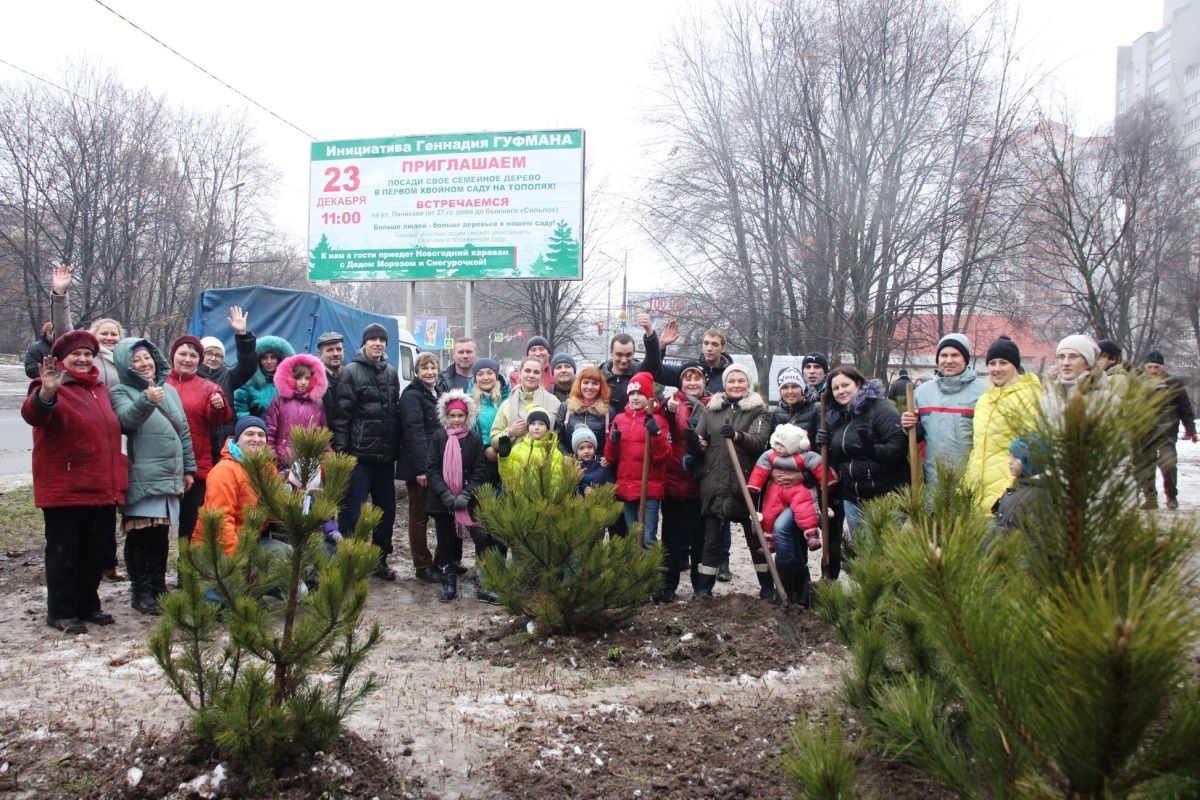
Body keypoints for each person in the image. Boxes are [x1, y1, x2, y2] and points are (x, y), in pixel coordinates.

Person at [23, 330, 128, 634]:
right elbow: (34, 414)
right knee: (65, 553)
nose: (82, 360)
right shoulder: (53, 386)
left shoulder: (99, 389)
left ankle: (88, 604)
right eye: (75, 355)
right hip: (65, 487)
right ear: (61, 359)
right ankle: (61, 610)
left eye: (87, 354)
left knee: (93, 552)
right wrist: (46, 392)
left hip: (99, 486)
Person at [110, 338, 196, 615]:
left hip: (169, 474)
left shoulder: (169, 391)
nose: (144, 364)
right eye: (137, 360)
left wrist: (188, 469)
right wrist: (146, 401)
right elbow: (127, 421)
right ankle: (141, 590)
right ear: (126, 364)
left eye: (147, 357)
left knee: (160, 535)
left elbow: (182, 431)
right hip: (142, 474)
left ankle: (159, 587)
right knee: (140, 535)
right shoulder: (120, 391)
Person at [683, 364, 772, 600]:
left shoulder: (759, 411)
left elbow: (759, 441)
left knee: (756, 540)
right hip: (715, 484)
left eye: (740, 381)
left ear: (748, 384)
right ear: (724, 384)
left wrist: (737, 436)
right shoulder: (711, 410)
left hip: (746, 484)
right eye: (731, 381)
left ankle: (768, 587)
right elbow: (701, 443)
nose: (735, 385)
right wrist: (693, 442)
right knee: (711, 542)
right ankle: (704, 589)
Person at [331, 323, 401, 580]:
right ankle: (349, 560)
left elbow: (394, 413)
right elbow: (341, 417)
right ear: (364, 344)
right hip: (358, 457)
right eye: (373, 339)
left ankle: (379, 560)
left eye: (382, 340)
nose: (378, 343)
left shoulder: (391, 373)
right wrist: (342, 452)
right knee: (352, 512)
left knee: (386, 513)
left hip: (384, 458)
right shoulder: (350, 372)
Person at [816, 365, 908, 560]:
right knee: (863, 555)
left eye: (845, 385)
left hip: (884, 495)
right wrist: (825, 445)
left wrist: (873, 450)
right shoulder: (838, 417)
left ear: (858, 383)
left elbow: (899, 448)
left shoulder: (880, 408)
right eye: (835, 388)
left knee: (883, 555)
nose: (841, 391)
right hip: (853, 497)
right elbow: (841, 459)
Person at [166, 335, 233, 569]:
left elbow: (219, 420)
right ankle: (150, 585)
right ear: (172, 356)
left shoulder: (208, 387)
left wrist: (219, 406)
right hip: (161, 466)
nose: (187, 359)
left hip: (195, 465)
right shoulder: (159, 383)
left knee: (190, 526)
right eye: (182, 354)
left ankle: (188, 576)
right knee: (155, 527)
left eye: (193, 355)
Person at [962, 336, 1043, 513]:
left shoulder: (1029, 396)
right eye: (992, 363)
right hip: (977, 490)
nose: (997, 368)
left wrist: (1010, 488)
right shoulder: (985, 399)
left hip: (1007, 491)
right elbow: (979, 449)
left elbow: (1033, 446)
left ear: (1015, 365)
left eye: (1003, 363)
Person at [425, 390, 491, 603]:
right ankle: (448, 580)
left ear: (467, 416)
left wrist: (466, 493)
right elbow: (432, 468)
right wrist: (445, 494)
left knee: (481, 537)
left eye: (460, 416)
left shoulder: (474, 438)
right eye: (452, 415)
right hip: (442, 500)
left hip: (469, 499)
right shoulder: (439, 437)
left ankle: (483, 578)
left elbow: (480, 469)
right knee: (445, 541)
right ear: (446, 415)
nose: (456, 420)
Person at [748, 424, 824, 605]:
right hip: (778, 495)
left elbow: (820, 463)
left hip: (804, 494)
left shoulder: (814, 413)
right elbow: (764, 462)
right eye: (785, 391)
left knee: (781, 528)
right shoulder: (778, 415)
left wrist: (805, 476)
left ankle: (787, 588)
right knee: (792, 544)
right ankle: (797, 592)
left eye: (794, 391)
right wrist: (767, 475)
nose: (790, 392)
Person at [901, 333, 985, 487]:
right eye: (943, 355)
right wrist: (909, 425)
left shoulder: (983, 393)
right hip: (931, 485)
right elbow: (916, 437)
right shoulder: (922, 393)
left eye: (955, 355)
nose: (949, 360)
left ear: (965, 359)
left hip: (969, 487)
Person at [604, 372, 672, 552]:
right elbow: (610, 457)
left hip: (648, 490)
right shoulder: (619, 419)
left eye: (640, 393)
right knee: (633, 536)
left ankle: (650, 575)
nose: (635, 397)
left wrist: (656, 435)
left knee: (647, 538)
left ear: (649, 396)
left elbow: (664, 457)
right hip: (626, 488)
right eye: (632, 393)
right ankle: (635, 576)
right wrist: (613, 441)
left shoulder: (657, 419)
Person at [662, 361, 710, 598]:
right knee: (671, 539)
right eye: (687, 378)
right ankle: (667, 587)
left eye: (697, 378)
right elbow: (662, 426)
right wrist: (665, 409)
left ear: (704, 382)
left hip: (700, 484)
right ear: (680, 382)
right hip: (674, 480)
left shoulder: (713, 406)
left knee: (699, 540)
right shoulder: (673, 404)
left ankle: (700, 588)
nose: (692, 382)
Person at [397, 352, 442, 583]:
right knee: (419, 516)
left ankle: (443, 560)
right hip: (420, 466)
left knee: (440, 514)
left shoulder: (438, 393)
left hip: (437, 463)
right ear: (417, 371)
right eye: (424, 368)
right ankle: (422, 564)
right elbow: (414, 433)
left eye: (433, 367)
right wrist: (423, 469)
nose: (430, 372)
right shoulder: (412, 396)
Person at [198, 306, 258, 463]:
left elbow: (248, 366)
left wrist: (242, 335)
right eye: (209, 353)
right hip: (199, 446)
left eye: (218, 355)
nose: (213, 358)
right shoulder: (193, 377)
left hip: (224, 446)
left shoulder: (228, 377)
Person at [1139, 350, 1197, 510]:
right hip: (1145, 432)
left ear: (1162, 367)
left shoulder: (1173, 383)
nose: (1152, 371)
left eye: (1156, 367)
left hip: (1167, 432)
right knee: (1146, 466)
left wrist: (1190, 429)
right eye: (1149, 367)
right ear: (1145, 367)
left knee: (1169, 464)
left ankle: (1171, 496)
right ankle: (1150, 498)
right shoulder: (1139, 383)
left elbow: (1185, 408)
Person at [264, 353, 328, 466]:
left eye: (307, 378)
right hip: (282, 460)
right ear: (290, 378)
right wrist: (272, 455)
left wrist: (325, 454)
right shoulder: (279, 401)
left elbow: (323, 432)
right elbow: (270, 430)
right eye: (298, 378)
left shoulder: (318, 403)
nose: (303, 382)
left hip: (310, 461)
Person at [598, 312, 663, 413]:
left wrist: (649, 332)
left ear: (633, 353)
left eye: (628, 355)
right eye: (619, 355)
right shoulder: (598, 377)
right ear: (611, 353)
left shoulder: (640, 372)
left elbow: (653, 362)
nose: (624, 360)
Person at [496, 406, 568, 496]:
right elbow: (507, 476)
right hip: (519, 502)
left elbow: (556, 481)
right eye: (533, 423)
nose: (536, 427)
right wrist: (504, 458)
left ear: (547, 428)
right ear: (528, 426)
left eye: (541, 424)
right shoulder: (517, 450)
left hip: (543, 503)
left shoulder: (554, 453)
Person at [490, 357, 561, 445]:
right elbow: (494, 441)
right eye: (527, 371)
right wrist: (510, 433)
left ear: (541, 375)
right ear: (520, 373)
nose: (531, 375)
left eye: (536, 372)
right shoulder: (507, 405)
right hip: (513, 458)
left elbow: (560, 438)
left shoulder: (553, 403)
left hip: (545, 457)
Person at [655, 326, 730, 395]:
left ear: (723, 348)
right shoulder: (687, 370)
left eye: (715, 344)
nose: (709, 348)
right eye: (706, 343)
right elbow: (656, 372)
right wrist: (661, 346)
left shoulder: (731, 375)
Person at [554, 366, 612, 456]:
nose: (590, 387)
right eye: (586, 382)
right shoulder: (566, 407)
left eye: (595, 383)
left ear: (601, 386)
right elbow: (557, 437)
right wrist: (565, 455)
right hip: (570, 463)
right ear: (579, 384)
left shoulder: (608, 412)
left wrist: (605, 458)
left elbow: (610, 443)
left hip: (597, 464)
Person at [233, 336, 295, 419]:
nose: (269, 362)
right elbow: (240, 413)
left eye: (273, 357)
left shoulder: (290, 385)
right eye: (264, 358)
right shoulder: (247, 385)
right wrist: (252, 421)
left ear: (279, 359)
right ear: (258, 360)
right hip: (258, 431)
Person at [571, 428, 614, 495]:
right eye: (581, 448)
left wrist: (596, 494)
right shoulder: (573, 467)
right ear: (576, 452)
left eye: (590, 447)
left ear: (594, 448)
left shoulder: (603, 464)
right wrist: (582, 485)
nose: (586, 451)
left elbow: (611, 487)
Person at [316, 331, 346, 421]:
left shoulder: (352, 376)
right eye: (330, 350)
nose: (336, 354)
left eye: (339, 349)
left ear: (344, 351)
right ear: (320, 355)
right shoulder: (314, 380)